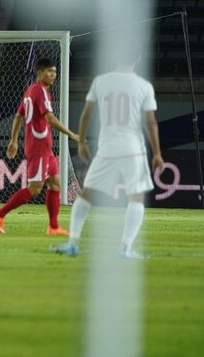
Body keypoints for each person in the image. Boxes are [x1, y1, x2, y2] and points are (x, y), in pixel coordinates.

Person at [53, 43, 163, 258]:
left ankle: (73, 242)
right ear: (138, 58)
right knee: (136, 197)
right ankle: (125, 248)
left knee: (86, 195)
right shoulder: (143, 86)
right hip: (133, 149)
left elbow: (86, 115)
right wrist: (157, 153)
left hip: (107, 148)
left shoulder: (101, 81)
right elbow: (151, 122)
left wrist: (82, 142)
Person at [0, 58, 79, 235]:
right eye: (49, 71)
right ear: (39, 73)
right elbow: (50, 118)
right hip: (38, 147)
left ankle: (53, 226)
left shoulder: (31, 90)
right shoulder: (40, 91)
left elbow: (18, 116)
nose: (53, 75)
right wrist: (70, 134)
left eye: (54, 71)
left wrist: (14, 141)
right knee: (35, 188)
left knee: (54, 184)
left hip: (45, 148)